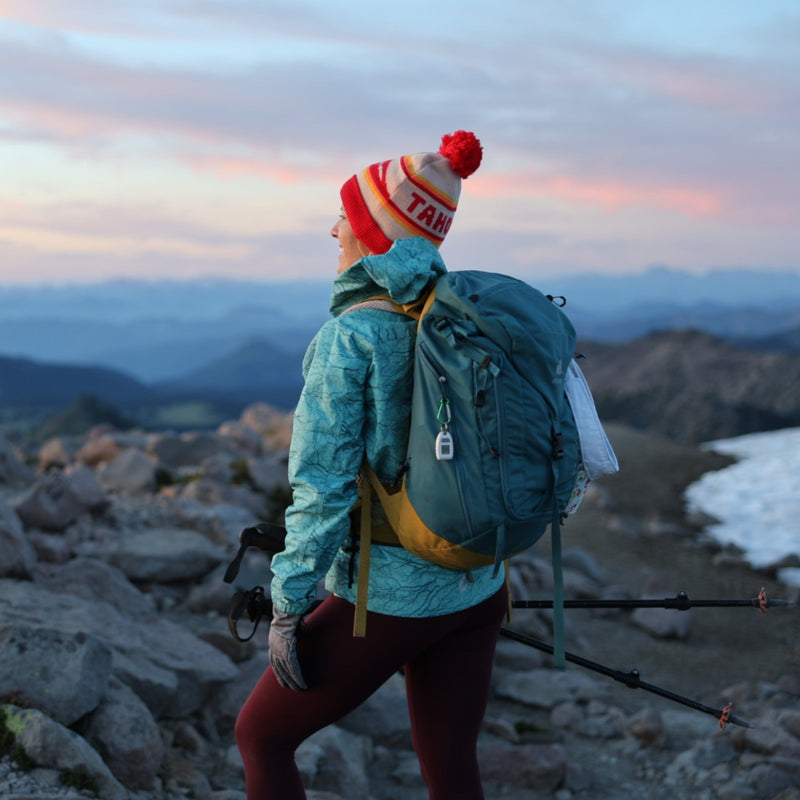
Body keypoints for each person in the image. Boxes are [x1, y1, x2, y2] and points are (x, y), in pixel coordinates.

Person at [235, 130, 508, 800]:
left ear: (374, 233)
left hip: (396, 597)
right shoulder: (468, 318)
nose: (334, 230)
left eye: (346, 218)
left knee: (261, 738)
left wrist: (290, 604)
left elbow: (322, 487)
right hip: (480, 583)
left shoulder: (352, 336)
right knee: (450, 765)